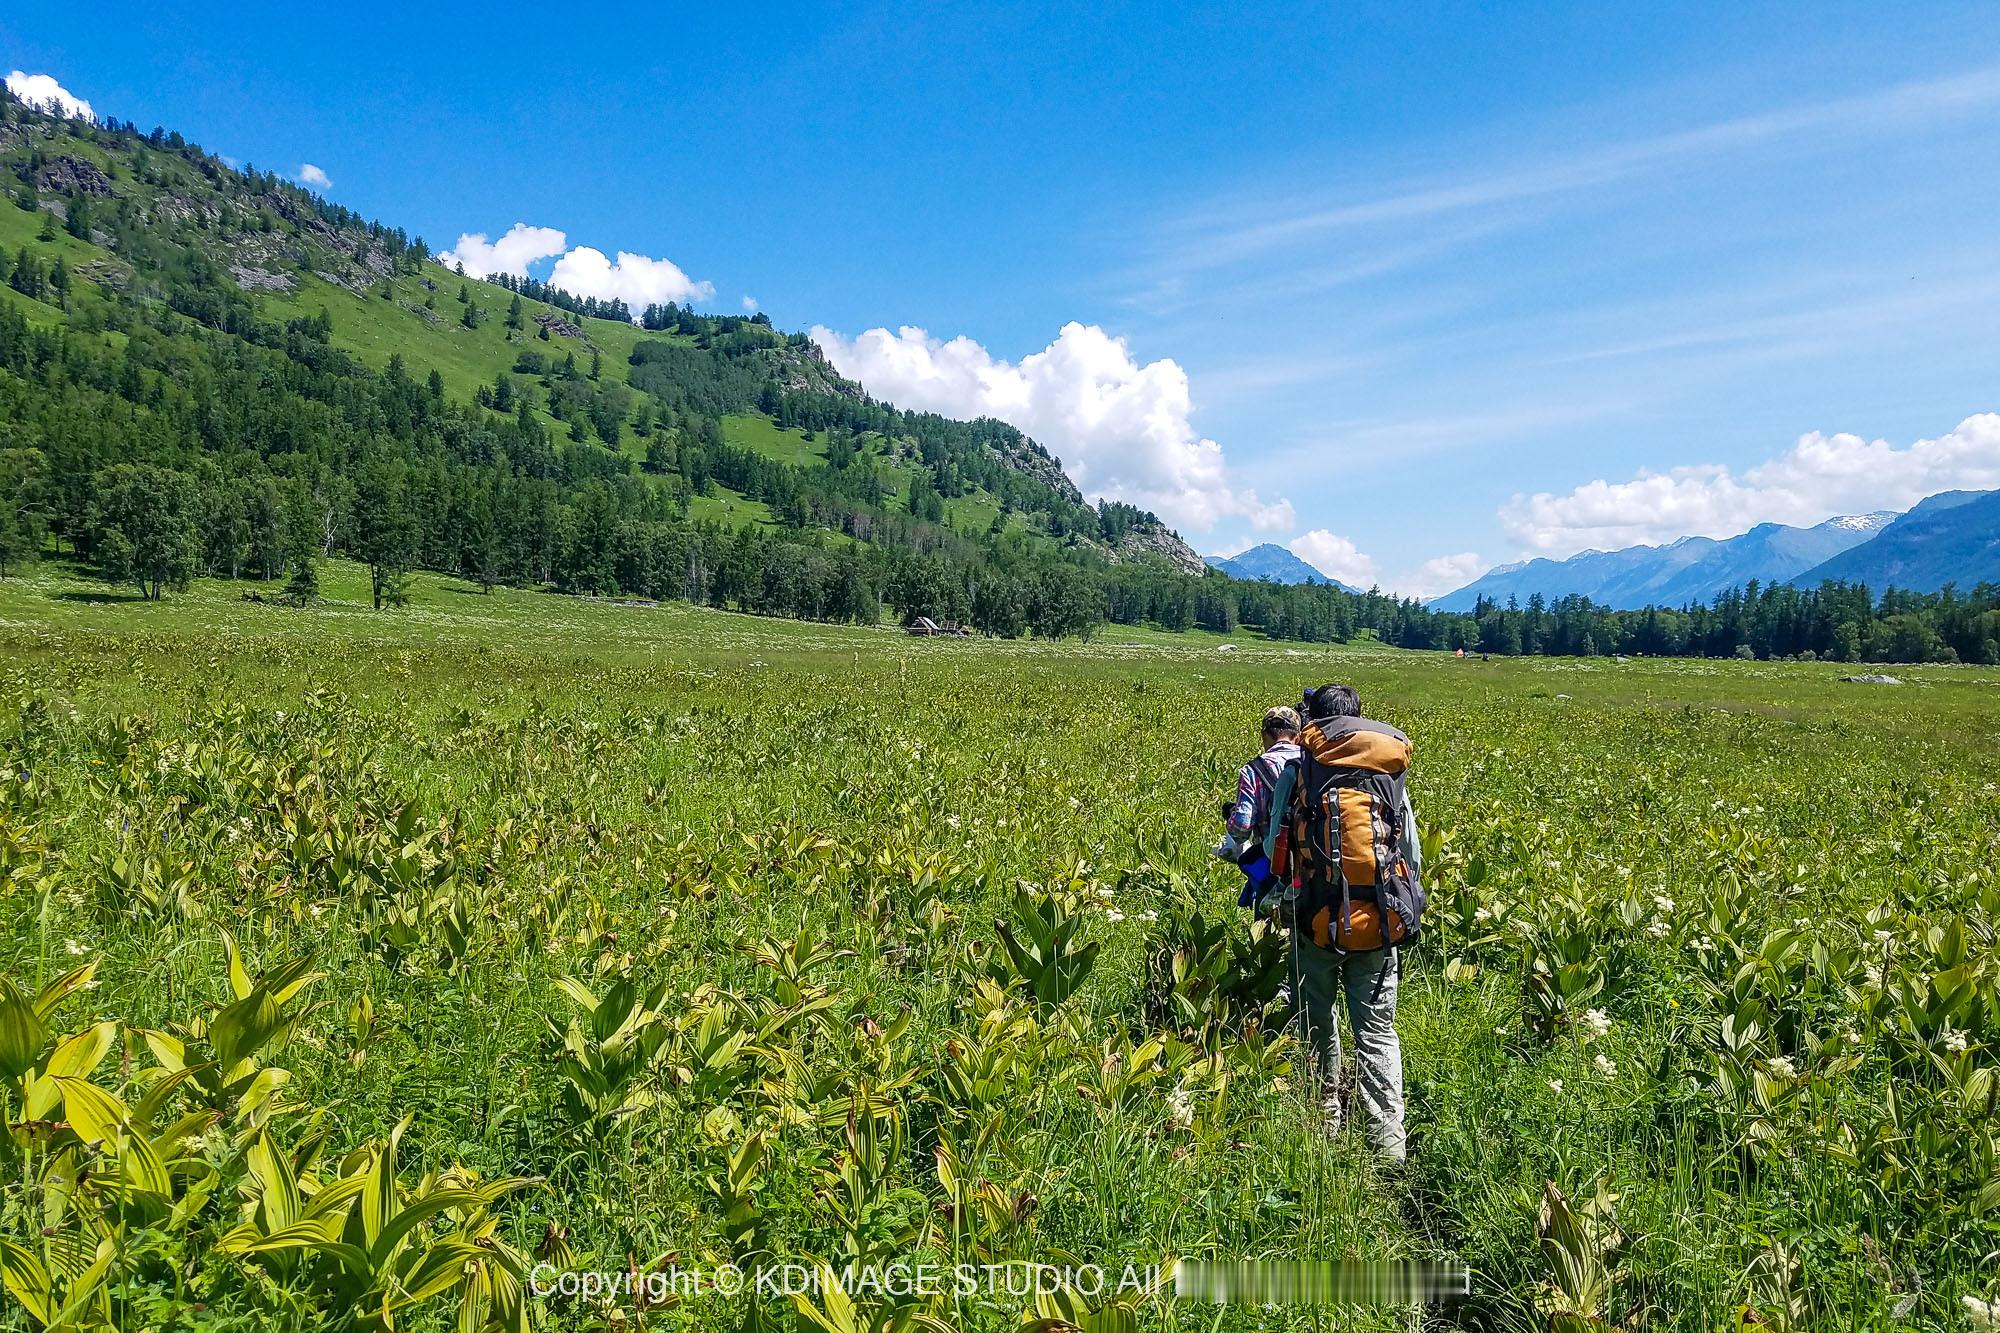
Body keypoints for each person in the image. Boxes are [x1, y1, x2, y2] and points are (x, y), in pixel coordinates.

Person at [1262, 683, 1423, 1161]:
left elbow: (1276, 843)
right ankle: (1388, 1142)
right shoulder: (1389, 773)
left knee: (1317, 1017)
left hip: (1314, 917)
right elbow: (1408, 851)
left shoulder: (1300, 768)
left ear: (1314, 719)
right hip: (1378, 920)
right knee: (1375, 1031)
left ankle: (1326, 1118)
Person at [1212, 705, 1301, 906]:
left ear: (1264, 735)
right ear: (1298, 736)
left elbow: (1241, 828)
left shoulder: (1252, 771)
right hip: (1311, 862)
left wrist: (1231, 813)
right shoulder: (1312, 764)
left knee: (1265, 924)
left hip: (1272, 863)